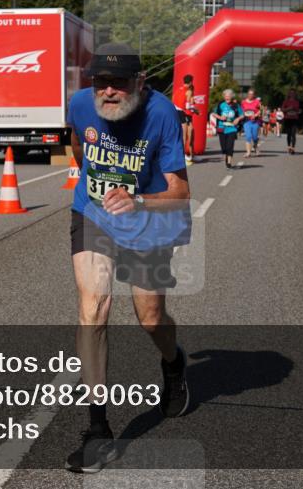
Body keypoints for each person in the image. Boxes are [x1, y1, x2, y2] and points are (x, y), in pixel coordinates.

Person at [65, 42, 192, 473]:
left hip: (149, 220)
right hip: (94, 214)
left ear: (139, 83)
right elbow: (80, 151)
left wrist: (136, 199)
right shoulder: (80, 105)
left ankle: (173, 363)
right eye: (102, 82)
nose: (110, 92)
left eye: (119, 83)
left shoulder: (162, 114)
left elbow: (180, 192)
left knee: (150, 317)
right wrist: (102, 193)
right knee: (93, 307)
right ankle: (97, 431)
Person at [211, 89, 242, 170]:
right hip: (222, 128)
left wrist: (237, 119)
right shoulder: (221, 104)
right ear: (224, 97)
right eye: (226, 96)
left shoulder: (236, 105)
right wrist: (220, 117)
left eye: (229, 96)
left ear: (232, 97)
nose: (227, 97)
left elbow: (242, 115)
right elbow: (214, 113)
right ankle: (226, 156)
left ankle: (229, 162)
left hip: (232, 128)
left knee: (230, 146)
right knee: (224, 148)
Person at [172, 74, 197, 166]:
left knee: (182, 134)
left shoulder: (178, 90)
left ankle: (187, 155)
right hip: (182, 112)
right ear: (190, 82)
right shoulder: (189, 91)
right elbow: (188, 106)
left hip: (175, 110)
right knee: (184, 136)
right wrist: (196, 109)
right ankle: (182, 157)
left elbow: (173, 100)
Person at [241, 88, 262, 158]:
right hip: (246, 122)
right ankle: (248, 152)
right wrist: (242, 115)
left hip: (255, 122)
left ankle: (256, 148)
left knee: (255, 137)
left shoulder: (256, 102)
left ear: (254, 95)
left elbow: (260, 110)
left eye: (252, 94)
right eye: (249, 94)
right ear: (247, 94)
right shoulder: (243, 102)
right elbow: (241, 111)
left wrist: (255, 115)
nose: (250, 95)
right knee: (248, 136)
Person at [280, 89, 301, 155]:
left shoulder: (297, 102)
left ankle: (293, 148)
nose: (292, 94)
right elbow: (282, 109)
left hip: (294, 119)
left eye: (293, 93)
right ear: (289, 94)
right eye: (291, 93)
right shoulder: (286, 101)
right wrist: (289, 108)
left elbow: (299, 110)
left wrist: (298, 111)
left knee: (293, 134)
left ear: (295, 94)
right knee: (289, 134)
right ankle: (289, 146)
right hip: (287, 119)